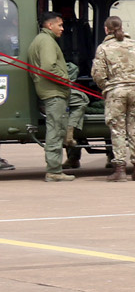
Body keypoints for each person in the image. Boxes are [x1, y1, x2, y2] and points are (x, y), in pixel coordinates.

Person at [27, 12, 86, 181]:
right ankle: (54, 170)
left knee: (81, 99)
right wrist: (66, 79)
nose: (62, 28)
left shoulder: (41, 40)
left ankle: (70, 129)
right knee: (54, 131)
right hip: (54, 92)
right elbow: (48, 68)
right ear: (49, 25)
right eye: (59, 25)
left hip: (54, 91)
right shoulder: (46, 42)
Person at [91, 15, 135, 182]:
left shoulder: (103, 48)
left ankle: (120, 169)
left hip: (116, 92)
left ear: (106, 29)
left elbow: (98, 74)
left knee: (118, 130)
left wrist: (108, 86)